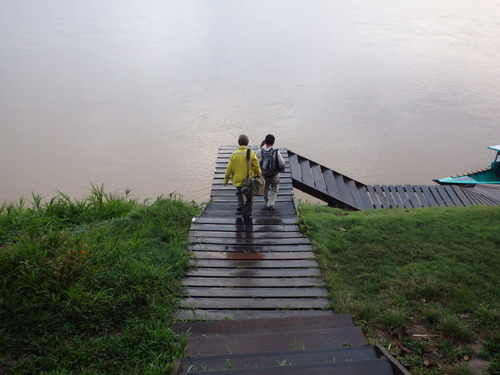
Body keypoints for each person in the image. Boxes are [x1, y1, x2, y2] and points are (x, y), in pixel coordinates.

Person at [223, 135, 262, 219]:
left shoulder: (234, 154)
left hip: (237, 180)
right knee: (249, 196)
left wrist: (225, 180)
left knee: (239, 193)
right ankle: (247, 213)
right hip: (248, 180)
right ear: (247, 143)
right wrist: (259, 174)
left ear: (239, 143)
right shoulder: (251, 153)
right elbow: (256, 166)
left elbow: (229, 169)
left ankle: (240, 208)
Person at [256, 134, 286, 211]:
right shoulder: (276, 152)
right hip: (274, 175)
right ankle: (271, 204)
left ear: (265, 142)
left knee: (265, 189)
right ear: (273, 143)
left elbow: (255, 157)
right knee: (274, 189)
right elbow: (282, 163)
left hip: (263, 174)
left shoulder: (260, 151)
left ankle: (266, 202)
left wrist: (260, 146)